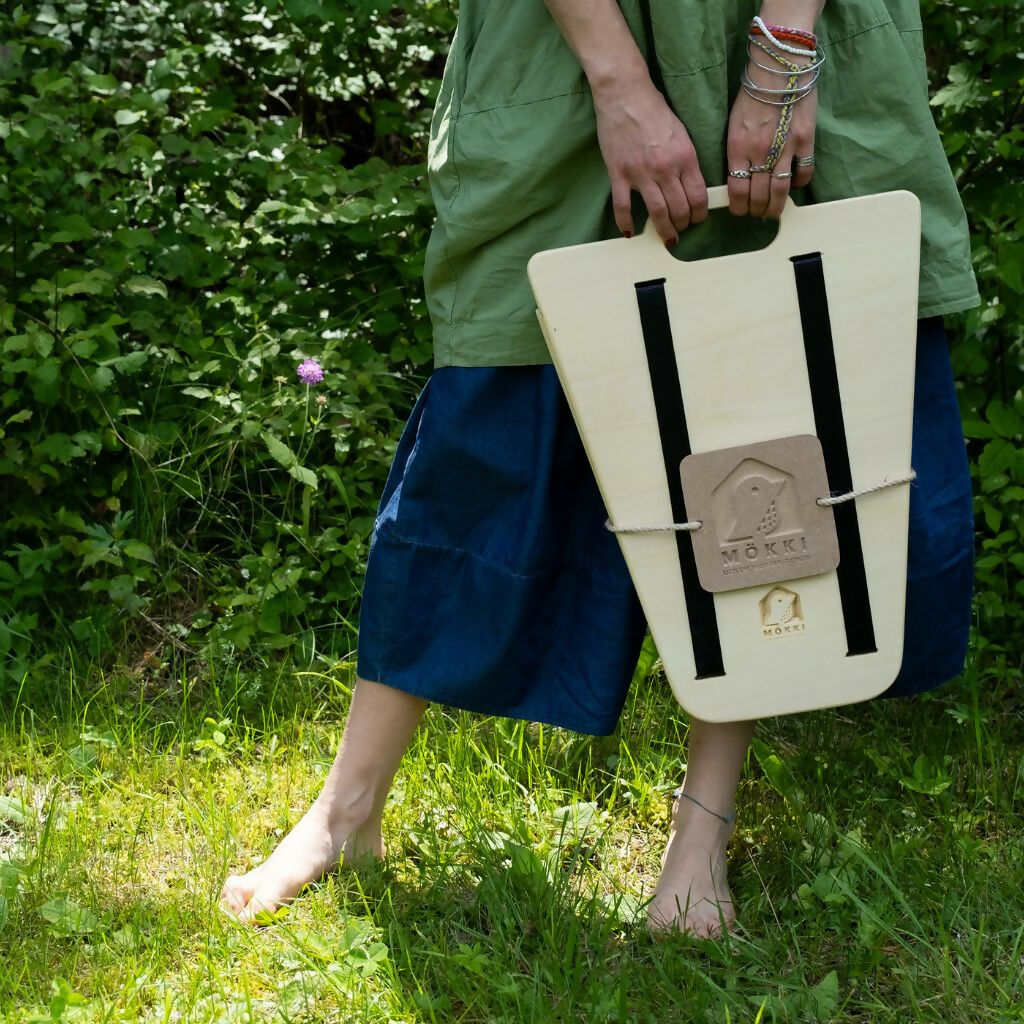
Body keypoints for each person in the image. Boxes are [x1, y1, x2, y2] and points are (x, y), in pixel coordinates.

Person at [220, 0, 978, 935]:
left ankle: (699, 844)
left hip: (794, 25)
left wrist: (783, 48)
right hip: (560, 40)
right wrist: (616, 79)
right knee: (490, 414)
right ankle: (347, 813)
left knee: (763, 414)